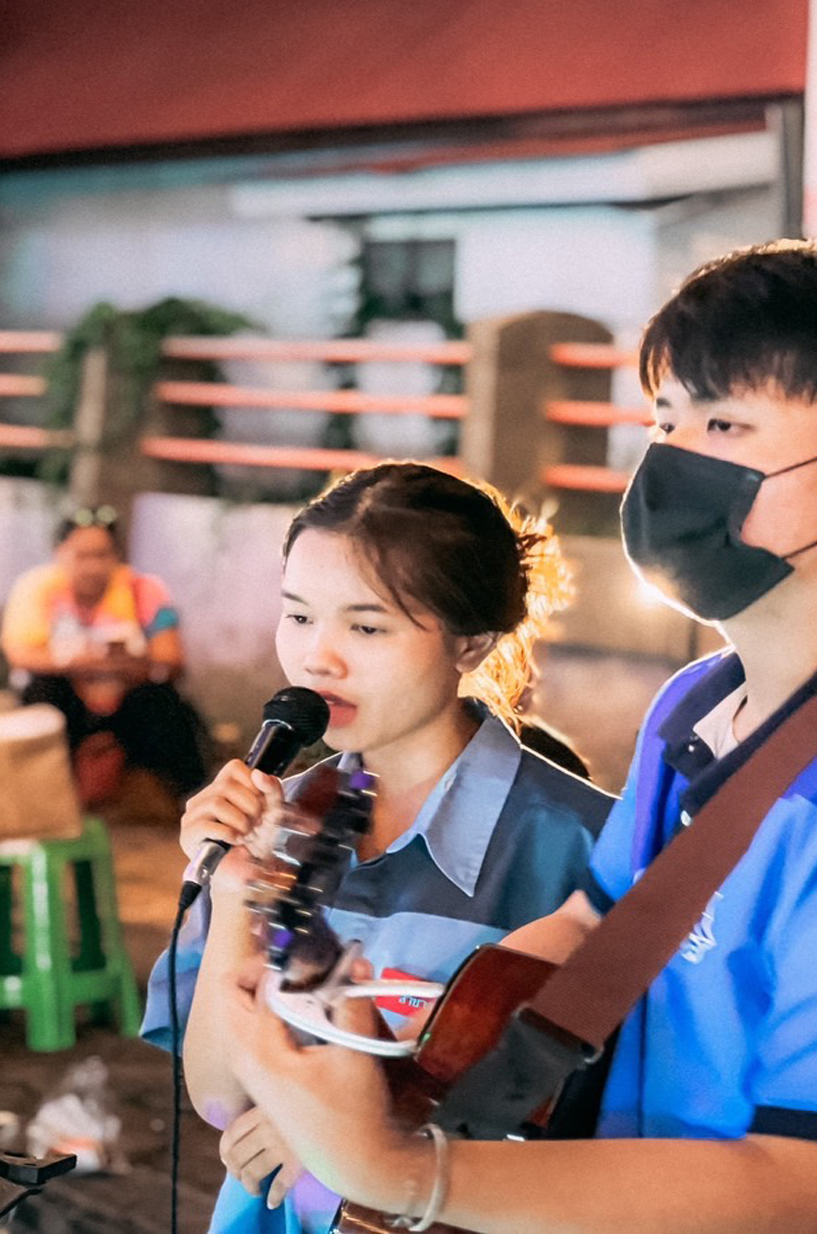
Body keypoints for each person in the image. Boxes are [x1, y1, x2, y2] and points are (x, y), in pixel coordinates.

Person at [223, 236, 817, 1233]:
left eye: (723, 422)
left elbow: (804, 1190)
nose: (671, 461)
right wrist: (386, 1062)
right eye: (665, 419)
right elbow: (598, 932)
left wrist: (400, 1172)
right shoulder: (697, 702)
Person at [146, 462, 614, 1234]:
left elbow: (606, 1128)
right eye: (298, 617)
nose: (317, 658)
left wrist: (362, 1139)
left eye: (365, 627)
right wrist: (234, 891)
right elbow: (224, 1099)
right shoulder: (281, 819)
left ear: (473, 642)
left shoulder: (588, 845)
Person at [0, 505, 209, 801]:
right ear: (60, 552)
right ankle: (43, 800)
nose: (93, 566)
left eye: (102, 555)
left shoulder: (144, 590)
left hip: (125, 704)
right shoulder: (36, 588)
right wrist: (91, 661)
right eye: (82, 555)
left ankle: (190, 798)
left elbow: (171, 659)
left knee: (164, 706)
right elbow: (20, 655)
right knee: (43, 696)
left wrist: (128, 667)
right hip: (68, 703)